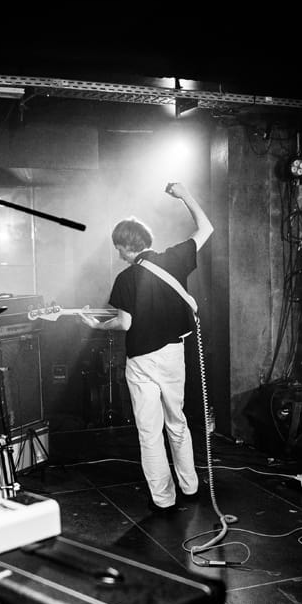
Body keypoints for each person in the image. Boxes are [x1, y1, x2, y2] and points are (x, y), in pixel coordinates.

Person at [80, 183, 213, 511]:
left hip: (141, 361)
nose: (118, 254)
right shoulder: (175, 259)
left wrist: (97, 325)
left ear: (127, 247)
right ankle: (190, 486)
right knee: (177, 422)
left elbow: (124, 323)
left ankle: (164, 499)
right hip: (173, 354)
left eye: (118, 249)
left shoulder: (125, 279)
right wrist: (184, 194)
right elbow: (206, 227)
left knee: (149, 432)